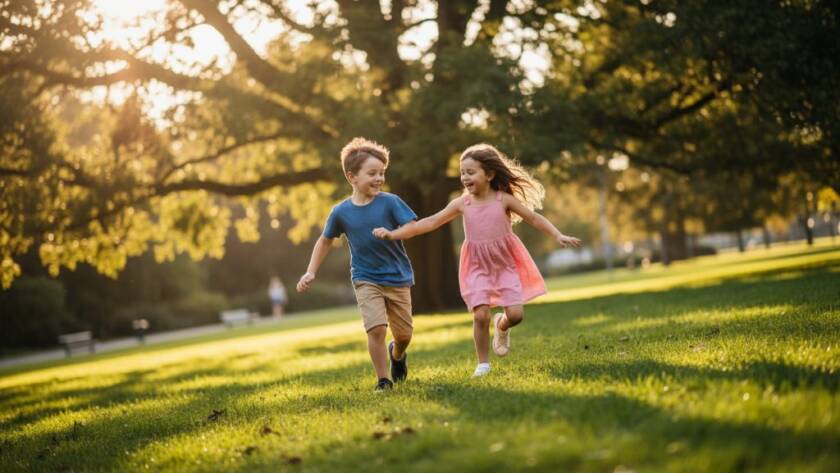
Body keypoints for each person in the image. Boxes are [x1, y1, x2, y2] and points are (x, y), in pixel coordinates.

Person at [374, 143, 581, 377]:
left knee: (516, 316)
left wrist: (557, 235)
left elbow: (533, 218)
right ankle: (483, 364)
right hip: (476, 265)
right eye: (462, 172)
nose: (464, 177)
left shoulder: (503, 200)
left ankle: (502, 325)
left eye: (470, 172)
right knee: (481, 315)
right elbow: (430, 222)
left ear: (489, 174)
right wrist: (393, 234)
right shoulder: (463, 203)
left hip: (504, 263)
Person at [297, 137, 417, 391]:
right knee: (376, 329)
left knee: (404, 335)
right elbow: (325, 241)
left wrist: (392, 233)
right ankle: (383, 380)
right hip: (365, 278)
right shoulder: (341, 212)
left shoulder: (390, 202)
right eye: (372, 173)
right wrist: (310, 272)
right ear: (352, 177)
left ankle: (397, 354)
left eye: (382, 173)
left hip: (397, 276)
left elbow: (411, 226)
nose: (379, 178)